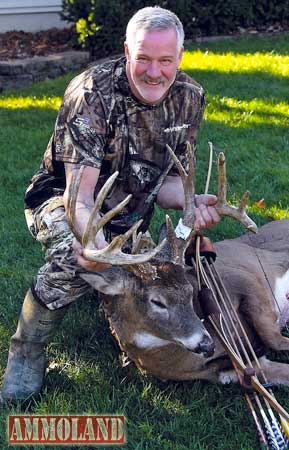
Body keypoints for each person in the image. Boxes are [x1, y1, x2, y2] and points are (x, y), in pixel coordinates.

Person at [1, 6, 220, 401]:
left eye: (166, 60)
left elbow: (169, 182)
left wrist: (193, 204)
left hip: (131, 211)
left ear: (180, 57)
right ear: (126, 51)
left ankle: (132, 321)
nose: (155, 72)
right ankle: (26, 351)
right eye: (144, 59)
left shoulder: (189, 98)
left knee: (157, 273)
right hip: (63, 202)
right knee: (76, 257)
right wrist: (95, 243)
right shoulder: (91, 94)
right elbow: (79, 197)